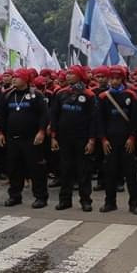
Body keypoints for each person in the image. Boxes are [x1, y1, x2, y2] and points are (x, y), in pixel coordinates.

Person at [0, 68, 49, 209]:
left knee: (36, 168)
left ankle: (40, 197)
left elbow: (44, 115)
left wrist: (41, 131)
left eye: (17, 77)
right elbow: (2, 116)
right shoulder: (7, 96)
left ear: (26, 79)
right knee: (14, 168)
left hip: (31, 139)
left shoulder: (36, 95)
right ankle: (14, 195)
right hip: (13, 138)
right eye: (13, 77)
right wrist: (0, 133)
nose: (14, 79)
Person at [49, 65, 96, 211]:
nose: (67, 76)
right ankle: (65, 200)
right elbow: (54, 116)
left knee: (83, 171)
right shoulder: (61, 93)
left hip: (82, 138)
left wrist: (91, 140)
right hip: (64, 138)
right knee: (65, 169)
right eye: (67, 73)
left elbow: (94, 120)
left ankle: (86, 200)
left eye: (71, 73)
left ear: (80, 76)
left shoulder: (89, 95)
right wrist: (53, 137)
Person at [98, 66, 137, 214]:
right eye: (112, 78)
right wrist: (103, 139)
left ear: (122, 79)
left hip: (127, 141)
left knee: (131, 173)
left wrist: (132, 137)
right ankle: (110, 202)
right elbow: (100, 120)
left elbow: (136, 119)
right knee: (110, 172)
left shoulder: (131, 95)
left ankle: (134, 204)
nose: (114, 81)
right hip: (110, 141)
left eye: (117, 78)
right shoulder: (104, 97)